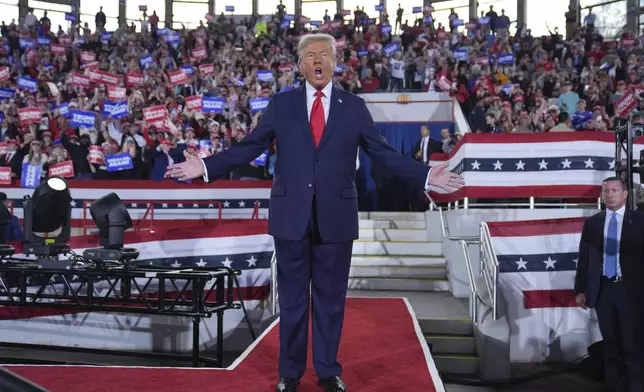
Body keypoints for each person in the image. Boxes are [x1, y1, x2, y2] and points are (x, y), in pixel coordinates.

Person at [166, 33, 464, 392]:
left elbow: (383, 154)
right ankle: (289, 374)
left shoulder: (353, 106)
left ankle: (327, 370)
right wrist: (207, 167)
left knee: (330, 302)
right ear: (301, 65)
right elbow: (250, 146)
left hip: (335, 218)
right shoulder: (281, 104)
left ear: (335, 62)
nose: (318, 60)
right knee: (292, 303)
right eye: (310, 55)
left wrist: (428, 173)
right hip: (291, 216)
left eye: (325, 54)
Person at [574, 177, 644, 392]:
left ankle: (636, 387)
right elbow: (584, 258)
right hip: (603, 290)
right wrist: (579, 289)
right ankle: (614, 387)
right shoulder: (592, 223)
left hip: (630, 291)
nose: (609, 194)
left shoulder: (640, 221)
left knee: (633, 344)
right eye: (606, 191)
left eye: (614, 190)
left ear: (624, 194)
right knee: (611, 344)